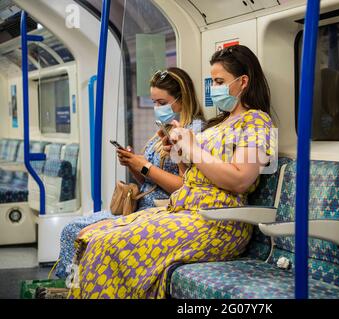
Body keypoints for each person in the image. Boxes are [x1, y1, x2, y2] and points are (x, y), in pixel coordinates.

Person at [68, 45, 275, 299]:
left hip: (219, 220)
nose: (214, 88)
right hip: (186, 208)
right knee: (89, 235)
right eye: (212, 81)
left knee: (106, 245)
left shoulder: (257, 122)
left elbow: (241, 179)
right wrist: (179, 151)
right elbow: (191, 176)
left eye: (220, 81)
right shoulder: (218, 123)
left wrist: (192, 148)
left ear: (243, 82)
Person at [54, 67, 205, 279]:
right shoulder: (164, 129)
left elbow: (185, 185)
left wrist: (144, 166)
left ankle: (82, 287)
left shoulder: (195, 131)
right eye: (154, 102)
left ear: (182, 99)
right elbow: (149, 181)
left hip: (163, 209)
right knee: (72, 228)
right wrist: (133, 165)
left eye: (162, 103)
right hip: (142, 204)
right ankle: (74, 288)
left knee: (83, 233)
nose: (156, 108)